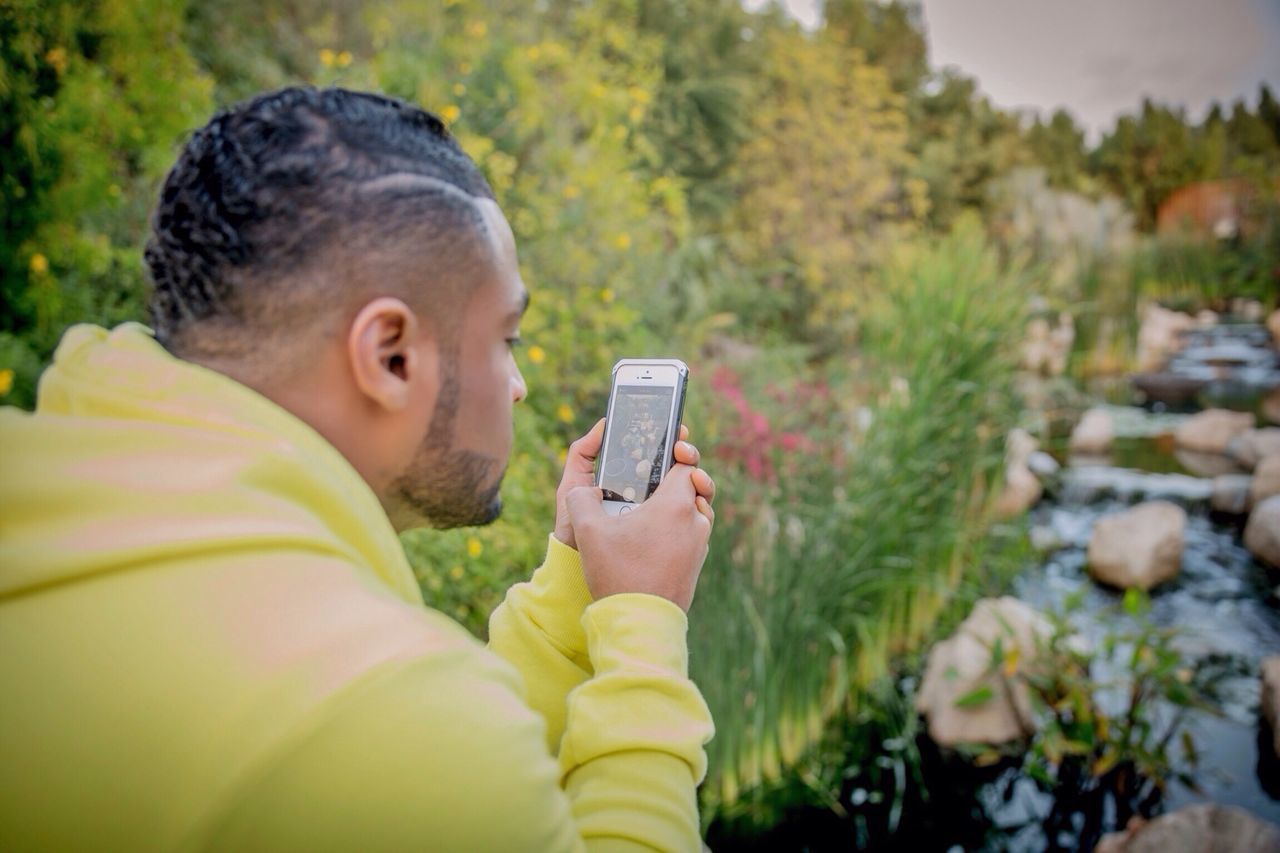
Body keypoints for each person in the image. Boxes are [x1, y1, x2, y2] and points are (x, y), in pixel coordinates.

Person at [0, 85, 717, 851]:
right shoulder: (366, 711)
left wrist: (576, 582)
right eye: (505, 337)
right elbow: (413, 741)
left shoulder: (55, 488)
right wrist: (643, 622)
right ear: (391, 356)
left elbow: (470, 776)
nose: (518, 384)